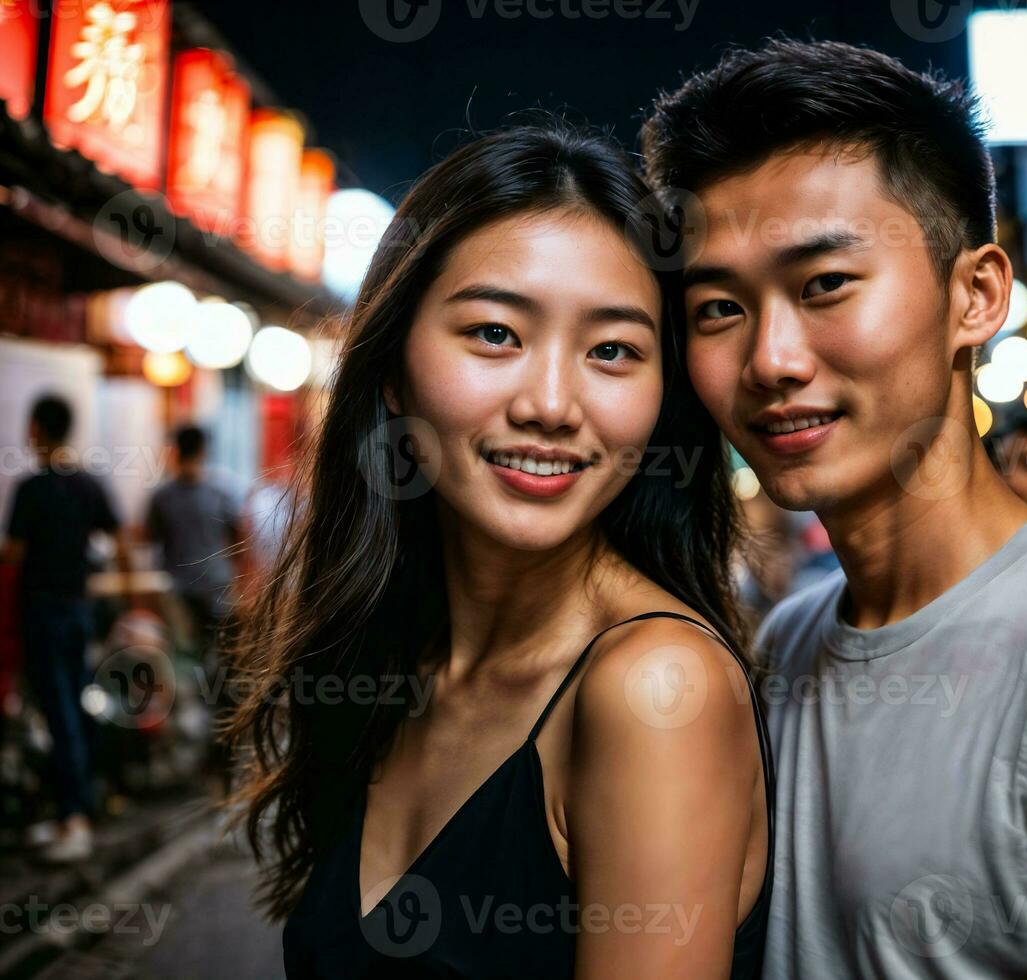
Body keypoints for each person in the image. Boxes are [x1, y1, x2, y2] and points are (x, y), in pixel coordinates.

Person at [643, 38, 1027, 978]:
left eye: (825, 286)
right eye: (719, 307)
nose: (770, 359)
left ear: (975, 297)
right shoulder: (783, 649)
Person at [227, 120, 773, 979]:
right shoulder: (394, 658)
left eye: (612, 350)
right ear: (395, 370)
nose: (552, 403)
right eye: (494, 334)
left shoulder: (655, 688)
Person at [1, 394, 132, 862]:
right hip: (78, 610)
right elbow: (120, 540)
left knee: (59, 712)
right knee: (75, 707)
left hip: (42, 612)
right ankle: (73, 812)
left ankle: (74, 820)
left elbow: (13, 555)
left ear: (36, 428)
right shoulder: (88, 485)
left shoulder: (31, 489)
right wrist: (124, 601)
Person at [144, 424, 246, 657]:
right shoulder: (220, 492)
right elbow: (239, 538)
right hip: (217, 583)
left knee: (186, 654)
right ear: (203, 451)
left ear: (176, 451)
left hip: (179, 586)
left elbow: (150, 537)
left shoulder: (162, 497)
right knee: (221, 652)